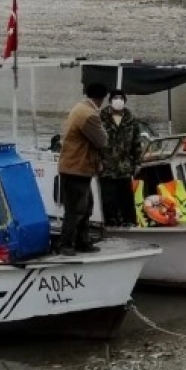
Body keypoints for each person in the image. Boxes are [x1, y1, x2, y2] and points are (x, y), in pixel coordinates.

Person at [56, 81, 109, 255]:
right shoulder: (89, 115)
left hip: (74, 166)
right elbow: (101, 141)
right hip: (76, 168)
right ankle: (66, 244)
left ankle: (82, 242)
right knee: (76, 209)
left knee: (85, 207)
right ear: (101, 98)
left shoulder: (79, 108)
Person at [98, 89, 143, 226]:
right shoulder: (101, 119)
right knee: (109, 199)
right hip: (106, 166)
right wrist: (97, 161)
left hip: (124, 167)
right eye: (115, 98)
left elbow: (136, 143)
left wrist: (137, 163)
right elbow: (94, 143)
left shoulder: (131, 120)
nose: (118, 100)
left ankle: (130, 222)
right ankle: (111, 224)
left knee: (126, 198)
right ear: (110, 101)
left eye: (121, 98)